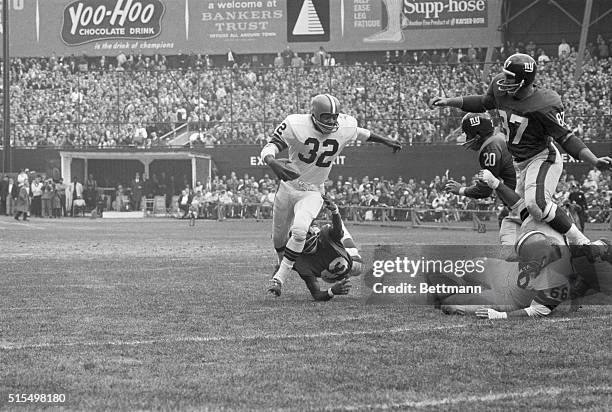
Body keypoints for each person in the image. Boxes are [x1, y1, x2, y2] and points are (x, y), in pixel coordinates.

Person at [430, 53, 612, 246]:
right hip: (519, 162)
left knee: (536, 204)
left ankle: (582, 242)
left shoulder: (544, 103)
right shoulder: (500, 87)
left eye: (510, 77)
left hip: (542, 157)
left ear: (524, 81)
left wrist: (594, 160)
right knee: (520, 211)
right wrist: (449, 101)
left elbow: (566, 137)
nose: (503, 80)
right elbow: (484, 102)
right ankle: (549, 249)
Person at [261, 93, 401, 296]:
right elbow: (270, 146)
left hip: (313, 190)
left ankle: (279, 279)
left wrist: (386, 140)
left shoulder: (344, 126)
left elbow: (361, 133)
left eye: (335, 116)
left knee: (300, 230)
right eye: (327, 116)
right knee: (279, 241)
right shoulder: (295, 124)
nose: (332, 121)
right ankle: (283, 265)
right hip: (287, 188)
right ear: (314, 114)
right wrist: (271, 161)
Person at [444, 112, 522, 245]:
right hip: (520, 194)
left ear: (478, 134)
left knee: (510, 245)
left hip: (520, 200)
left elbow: (485, 190)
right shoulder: (499, 138)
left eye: (469, 134)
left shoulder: (490, 148)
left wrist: (462, 190)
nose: (467, 137)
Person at [280, 195, 364, 300]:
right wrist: (332, 291)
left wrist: (335, 211)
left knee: (353, 256)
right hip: (333, 271)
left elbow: (337, 229)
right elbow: (317, 294)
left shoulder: (324, 235)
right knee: (350, 263)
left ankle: (347, 270)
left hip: (344, 261)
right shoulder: (302, 263)